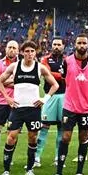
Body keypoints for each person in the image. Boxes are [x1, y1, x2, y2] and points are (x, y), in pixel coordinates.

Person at [0, 40, 58, 175]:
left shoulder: (40, 68)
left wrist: (44, 99)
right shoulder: (14, 66)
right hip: (17, 108)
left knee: (32, 137)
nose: (30, 54)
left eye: (32, 51)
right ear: (22, 52)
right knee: (11, 137)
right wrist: (7, 98)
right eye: (27, 51)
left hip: (33, 110)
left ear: (35, 53)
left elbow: (55, 84)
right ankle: (6, 170)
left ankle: (29, 169)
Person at [48, 35, 88, 175]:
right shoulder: (67, 61)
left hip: (87, 108)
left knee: (83, 138)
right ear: (75, 45)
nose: (82, 45)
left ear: (87, 45)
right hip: (69, 106)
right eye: (79, 43)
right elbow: (63, 79)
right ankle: (58, 174)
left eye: (84, 43)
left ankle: (79, 173)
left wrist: (87, 96)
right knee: (66, 138)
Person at [36, 38, 67, 166]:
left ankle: (57, 158)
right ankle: (36, 157)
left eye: (59, 44)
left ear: (63, 46)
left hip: (64, 96)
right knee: (44, 127)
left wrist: (60, 75)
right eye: (54, 44)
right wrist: (62, 76)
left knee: (62, 128)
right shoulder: (45, 59)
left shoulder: (67, 60)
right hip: (50, 96)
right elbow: (47, 73)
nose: (56, 47)